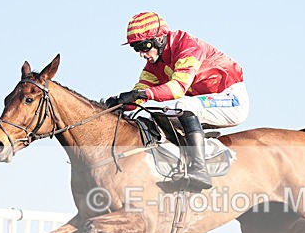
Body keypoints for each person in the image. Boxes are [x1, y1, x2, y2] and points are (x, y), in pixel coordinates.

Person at [106, 12, 249, 192]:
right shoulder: (154, 64)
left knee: (184, 106)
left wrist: (139, 95)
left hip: (232, 100)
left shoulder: (188, 46)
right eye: (136, 48)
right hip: (204, 103)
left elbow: (177, 89)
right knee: (160, 115)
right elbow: (139, 94)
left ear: (158, 39)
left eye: (144, 46)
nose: (141, 54)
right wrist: (118, 103)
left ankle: (200, 170)